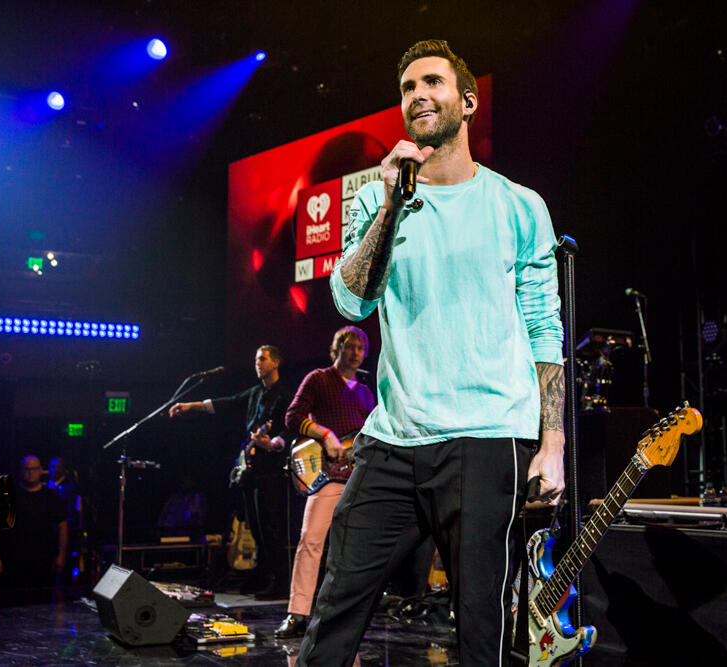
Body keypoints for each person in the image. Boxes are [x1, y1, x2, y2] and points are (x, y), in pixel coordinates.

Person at [296, 40, 566, 666]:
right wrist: (392, 202)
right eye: (408, 87)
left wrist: (551, 446)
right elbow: (350, 302)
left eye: (433, 83)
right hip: (393, 439)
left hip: (486, 436)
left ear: (466, 102)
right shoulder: (377, 199)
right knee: (335, 607)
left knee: (480, 625)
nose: (417, 94)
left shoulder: (520, 207)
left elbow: (544, 331)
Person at [275, 326, 376, 638]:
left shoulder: (367, 392)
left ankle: (345, 614)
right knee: (311, 540)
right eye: (350, 346)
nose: (356, 352)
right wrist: (324, 433)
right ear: (337, 348)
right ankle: (297, 613)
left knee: (354, 549)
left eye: (361, 348)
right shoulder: (318, 378)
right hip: (327, 476)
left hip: (358, 477)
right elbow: (292, 417)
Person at [169, 345, 292, 596]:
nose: (257, 364)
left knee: (270, 526)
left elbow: (290, 428)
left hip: (272, 469)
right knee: (255, 527)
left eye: (263, 359)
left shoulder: (285, 395)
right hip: (252, 468)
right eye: (256, 359)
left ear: (276, 362)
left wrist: (274, 443)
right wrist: (190, 406)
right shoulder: (255, 393)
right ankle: (260, 575)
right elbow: (224, 404)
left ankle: (280, 581)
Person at [0, 455, 68, 588]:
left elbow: (62, 526)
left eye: (34, 469)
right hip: (13, 560)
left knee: (42, 602)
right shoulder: (8, 496)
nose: (30, 472)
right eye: (27, 469)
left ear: (41, 470)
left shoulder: (51, 497)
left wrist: (61, 555)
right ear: (20, 471)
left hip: (43, 560)